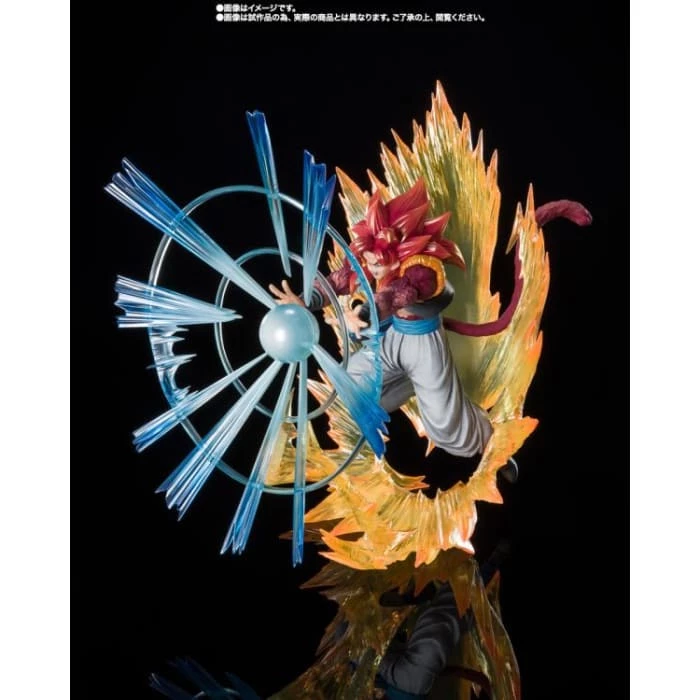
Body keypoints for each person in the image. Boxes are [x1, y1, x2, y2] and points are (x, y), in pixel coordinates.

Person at [270, 178, 517, 469]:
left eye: (377, 261)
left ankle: (492, 443)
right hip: (392, 339)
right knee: (352, 385)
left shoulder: (422, 269)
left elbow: (396, 294)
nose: (372, 266)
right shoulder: (372, 259)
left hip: (424, 345)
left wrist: (363, 313)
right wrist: (305, 301)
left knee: (445, 428)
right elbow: (338, 281)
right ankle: (415, 384)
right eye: (369, 260)